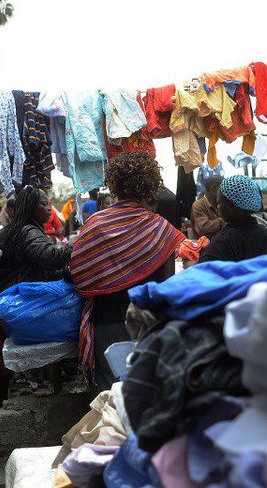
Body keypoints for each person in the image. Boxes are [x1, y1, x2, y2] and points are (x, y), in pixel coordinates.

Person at [70, 152, 185, 392]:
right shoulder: (160, 228)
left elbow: (78, 275)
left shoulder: (95, 223)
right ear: (150, 187)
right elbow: (167, 286)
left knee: (108, 398)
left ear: (114, 185)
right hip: (147, 323)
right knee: (146, 394)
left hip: (105, 322)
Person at [0, 187, 72, 408]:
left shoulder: (17, 229)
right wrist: (81, 245)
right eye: (44, 204)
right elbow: (49, 258)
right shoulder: (29, 232)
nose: (49, 209)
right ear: (31, 208)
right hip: (8, 307)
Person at [199, 175, 267, 263]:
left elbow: (202, 272)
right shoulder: (265, 234)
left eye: (219, 202)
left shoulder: (222, 243)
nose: (218, 207)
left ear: (231, 206)